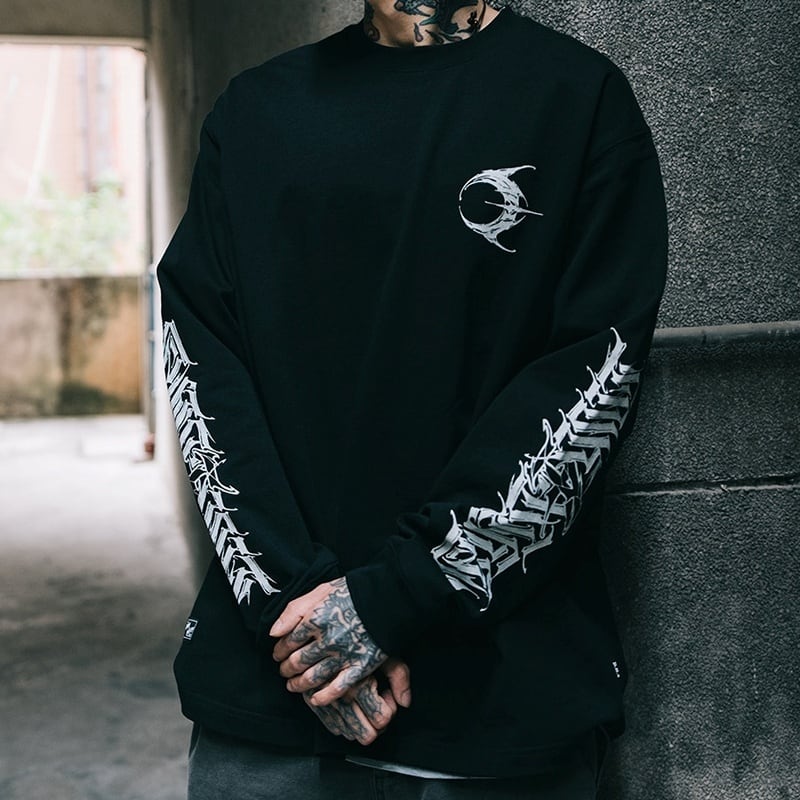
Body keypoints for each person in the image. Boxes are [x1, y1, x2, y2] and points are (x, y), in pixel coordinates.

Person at [158, 1, 667, 797]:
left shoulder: (575, 99)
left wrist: (392, 600)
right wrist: (304, 613)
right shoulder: (255, 111)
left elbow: (590, 377)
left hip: (498, 705)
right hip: (273, 702)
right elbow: (203, 366)